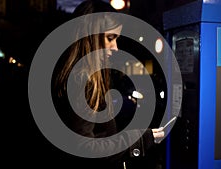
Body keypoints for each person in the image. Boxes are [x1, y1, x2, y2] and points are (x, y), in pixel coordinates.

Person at [51, 0, 164, 169]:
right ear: (89, 37)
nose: (115, 47)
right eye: (110, 38)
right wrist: (139, 139)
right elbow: (83, 147)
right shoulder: (83, 80)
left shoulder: (78, 74)